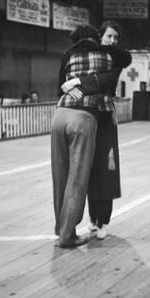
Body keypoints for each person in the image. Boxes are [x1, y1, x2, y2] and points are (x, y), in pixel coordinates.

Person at [59, 20, 131, 240]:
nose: (112, 41)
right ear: (99, 36)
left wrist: (78, 81)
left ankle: (103, 220)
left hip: (106, 118)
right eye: (109, 36)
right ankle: (92, 219)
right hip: (88, 118)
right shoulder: (86, 57)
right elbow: (62, 87)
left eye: (115, 38)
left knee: (107, 169)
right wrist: (76, 94)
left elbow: (109, 79)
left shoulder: (111, 60)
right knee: (87, 170)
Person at [51, 24, 117, 248]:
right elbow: (109, 84)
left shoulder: (67, 56)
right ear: (96, 38)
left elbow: (60, 87)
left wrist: (76, 86)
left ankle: (60, 228)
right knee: (77, 180)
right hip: (83, 118)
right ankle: (68, 236)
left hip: (60, 115)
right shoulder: (107, 57)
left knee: (60, 176)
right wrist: (88, 88)